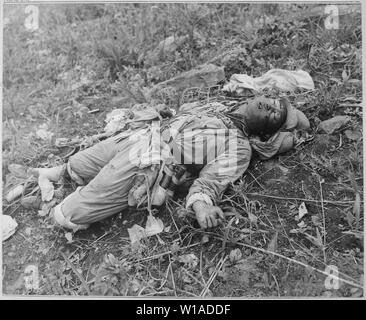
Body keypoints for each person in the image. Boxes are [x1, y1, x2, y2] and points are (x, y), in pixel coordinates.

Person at [27, 96, 310, 231]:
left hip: (147, 165)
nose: (271, 107)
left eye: (275, 115)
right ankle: (52, 174)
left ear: (265, 133)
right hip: (140, 137)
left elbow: (212, 181)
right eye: (272, 102)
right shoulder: (222, 108)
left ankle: (68, 202)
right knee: (76, 165)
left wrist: (201, 205)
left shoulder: (240, 148)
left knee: (67, 216)